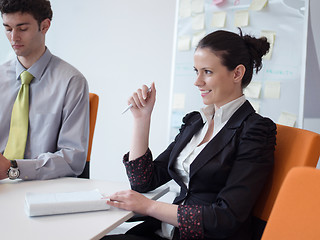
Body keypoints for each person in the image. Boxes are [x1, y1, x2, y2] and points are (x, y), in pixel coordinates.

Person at [103, 29, 277, 240]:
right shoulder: (196, 121)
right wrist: (142, 119)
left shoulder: (255, 130)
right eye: (196, 71)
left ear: (237, 73)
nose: (197, 82)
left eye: (208, 72)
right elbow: (143, 182)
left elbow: (226, 218)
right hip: (165, 231)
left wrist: (149, 206)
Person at [0, 0, 89, 180]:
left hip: (42, 187)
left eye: (22, 29)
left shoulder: (71, 82)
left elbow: (73, 159)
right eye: (8, 29)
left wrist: (14, 169)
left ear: (45, 26)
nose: (14, 38)